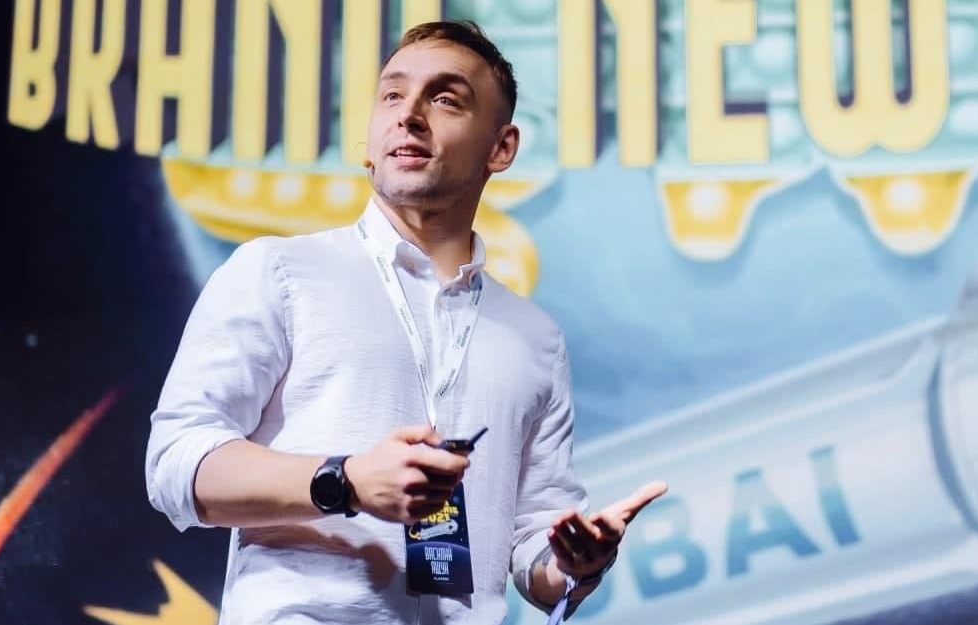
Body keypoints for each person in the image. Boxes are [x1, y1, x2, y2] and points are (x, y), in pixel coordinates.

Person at [145, 20, 667, 625]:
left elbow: (536, 557)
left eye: (445, 99)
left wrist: (577, 564)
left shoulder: (535, 338)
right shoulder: (279, 271)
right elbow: (176, 464)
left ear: (501, 148)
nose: (409, 115)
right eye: (392, 94)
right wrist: (346, 481)